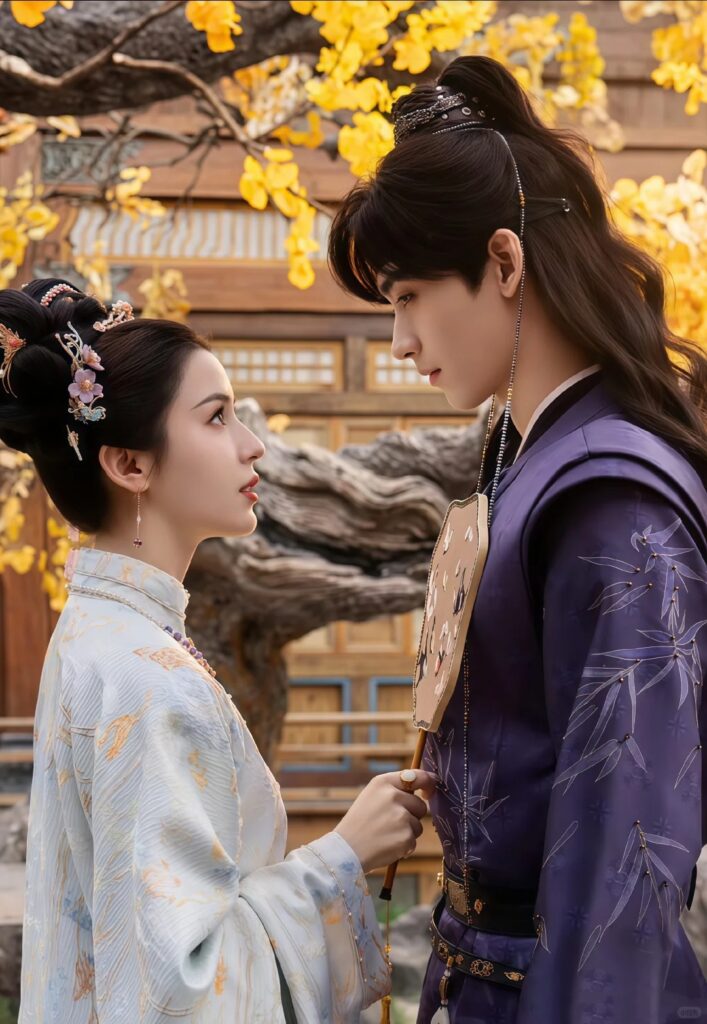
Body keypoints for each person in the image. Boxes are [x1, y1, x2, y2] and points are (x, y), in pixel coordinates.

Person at [328, 54, 707, 1024]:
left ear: (502, 263)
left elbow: (623, 861)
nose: (399, 341)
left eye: (407, 296)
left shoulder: (610, 495)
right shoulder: (528, 461)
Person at [0, 278, 436, 1024]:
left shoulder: (100, 633)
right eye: (216, 417)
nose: (251, 444)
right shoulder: (145, 679)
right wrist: (341, 854)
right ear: (130, 465)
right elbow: (182, 994)